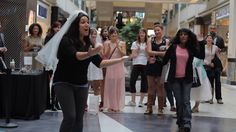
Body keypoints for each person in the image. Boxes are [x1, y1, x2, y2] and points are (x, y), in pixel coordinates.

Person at [35, 11, 128, 132]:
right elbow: (77, 56)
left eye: (88, 22)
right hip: (64, 82)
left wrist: (119, 60)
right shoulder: (66, 40)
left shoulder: (88, 42)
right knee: (70, 117)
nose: (87, 25)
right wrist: (91, 53)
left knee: (79, 118)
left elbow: (100, 63)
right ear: (75, 25)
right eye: (83, 22)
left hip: (81, 84)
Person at [162, 28, 205, 132]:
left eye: (185, 34)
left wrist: (201, 42)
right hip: (174, 79)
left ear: (188, 37)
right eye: (181, 34)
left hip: (187, 79)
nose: (183, 36)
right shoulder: (173, 47)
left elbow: (201, 56)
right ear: (179, 36)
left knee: (186, 101)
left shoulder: (190, 48)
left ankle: (187, 122)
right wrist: (154, 60)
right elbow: (164, 60)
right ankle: (180, 121)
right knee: (179, 101)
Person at [144, 24, 167, 115]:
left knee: (160, 87)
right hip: (151, 65)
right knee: (150, 86)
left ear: (162, 30)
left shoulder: (166, 41)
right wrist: (160, 53)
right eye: (155, 30)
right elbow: (149, 51)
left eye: (158, 30)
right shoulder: (150, 40)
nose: (157, 32)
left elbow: (167, 53)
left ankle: (160, 109)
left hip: (161, 66)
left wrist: (154, 54)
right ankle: (149, 108)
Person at [103, 26, 126, 112]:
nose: (114, 35)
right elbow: (105, 56)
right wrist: (109, 48)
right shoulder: (106, 43)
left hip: (119, 66)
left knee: (119, 86)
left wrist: (118, 47)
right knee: (111, 86)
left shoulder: (122, 43)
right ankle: (111, 105)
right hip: (111, 66)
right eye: (112, 33)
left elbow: (124, 54)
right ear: (109, 35)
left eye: (116, 33)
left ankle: (118, 105)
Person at [127, 28, 148, 107]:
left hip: (145, 63)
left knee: (144, 82)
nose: (142, 34)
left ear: (145, 34)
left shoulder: (148, 43)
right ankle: (133, 101)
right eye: (140, 33)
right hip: (136, 63)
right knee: (132, 81)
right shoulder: (134, 43)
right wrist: (138, 50)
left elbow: (148, 55)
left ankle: (141, 101)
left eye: (143, 33)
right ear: (138, 34)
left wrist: (146, 51)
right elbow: (133, 55)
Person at [44, 21, 62, 111]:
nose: (58, 29)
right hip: (50, 62)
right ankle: (51, 103)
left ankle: (56, 102)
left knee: (57, 81)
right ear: (53, 28)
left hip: (59, 61)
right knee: (51, 82)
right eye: (56, 27)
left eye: (59, 27)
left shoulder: (62, 37)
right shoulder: (49, 37)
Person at [203, 34, 223, 104]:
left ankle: (219, 98)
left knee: (218, 82)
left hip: (215, 67)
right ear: (206, 40)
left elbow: (218, 57)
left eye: (210, 38)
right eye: (208, 38)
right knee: (210, 83)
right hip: (207, 67)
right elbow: (202, 58)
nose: (209, 39)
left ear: (212, 40)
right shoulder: (203, 47)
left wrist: (220, 66)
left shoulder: (215, 47)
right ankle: (210, 98)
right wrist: (208, 63)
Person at [87, 28, 104, 110]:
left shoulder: (98, 44)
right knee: (86, 85)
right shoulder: (86, 44)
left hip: (96, 66)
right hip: (88, 65)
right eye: (92, 34)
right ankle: (84, 104)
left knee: (96, 86)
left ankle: (95, 104)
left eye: (95, 34)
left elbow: (101, 55)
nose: (93, 35)